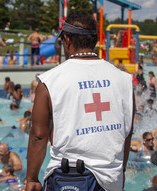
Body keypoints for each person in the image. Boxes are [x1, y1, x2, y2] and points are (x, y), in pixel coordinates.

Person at [26, 11, 134, 191]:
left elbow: (39, 136)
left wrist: (31, 178)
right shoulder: (124, 80)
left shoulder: (50, 81)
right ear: (96, 41)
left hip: (68, 179)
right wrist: (120, 172)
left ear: (66, 40)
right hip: (111, 180)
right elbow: (127, 133)